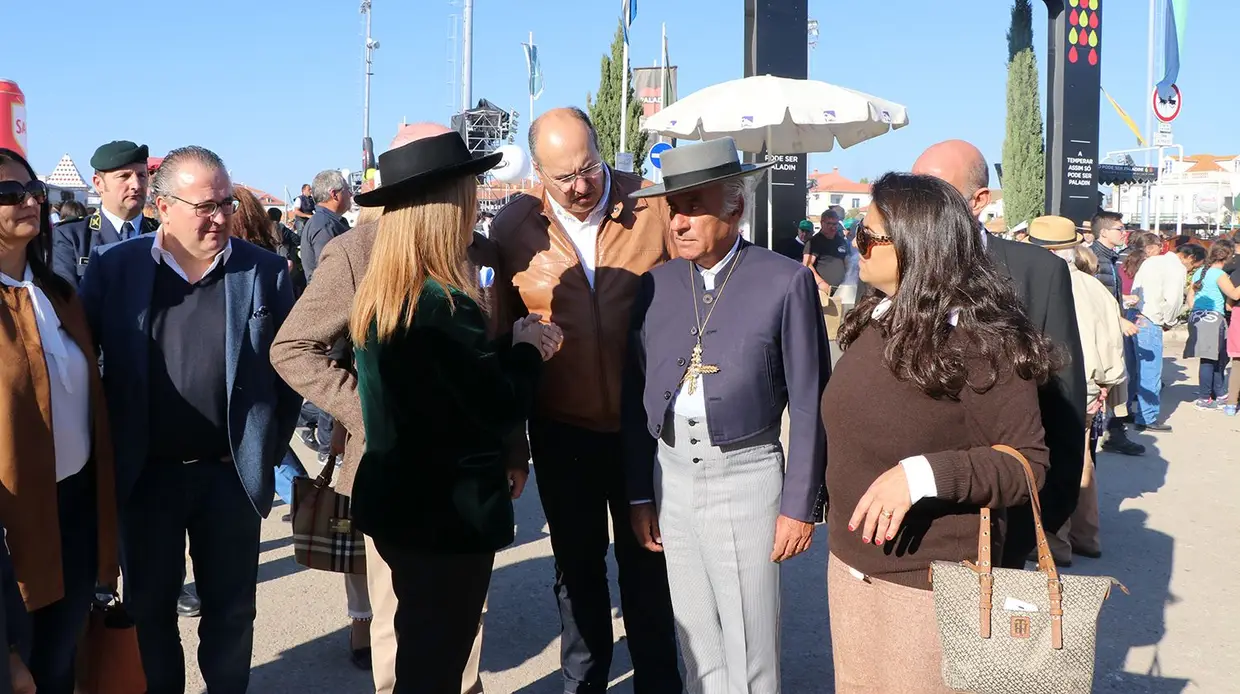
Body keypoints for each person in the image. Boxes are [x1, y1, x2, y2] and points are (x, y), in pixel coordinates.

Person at [272, 123, 516, 689]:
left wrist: (513, 448)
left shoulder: (481, 251)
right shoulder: (357, 251)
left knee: (463, 624)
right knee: (401, 625)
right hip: (396, 474)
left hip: (472, 477)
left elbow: (494, 355)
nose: (476, 192)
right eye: (467, 182)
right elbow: (292, 348)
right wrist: (372, 410)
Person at [79, 145, 300, 693]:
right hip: (146, 476)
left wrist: (263, 452)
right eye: (206, 206)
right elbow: (83, 367)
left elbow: (291, 373)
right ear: (163, 206)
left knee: (231, 614)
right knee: (150, 611)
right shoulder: (115, 271)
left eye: (226, 202)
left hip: (228, 477)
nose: (221, 217)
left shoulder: (265, 271)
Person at [346, 128, 560, 692]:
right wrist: (526, 351)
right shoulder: (441, 304)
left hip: (399, 508)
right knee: (435, 663)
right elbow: (493, 407)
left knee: (420, 646)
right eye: (470, 189)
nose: (476, 199)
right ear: (445, 206)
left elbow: (437, 391)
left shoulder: (387, 293)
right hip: (446, 516)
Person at [822, 172, 1054, 693]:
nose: (856, 243)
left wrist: (924, 474)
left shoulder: (981, 340)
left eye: (870, 234)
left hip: (929, 588)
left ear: (917, 244)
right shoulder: (877, 318)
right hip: (851, 569)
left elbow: (1028, 463)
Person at [623, 138, 828, 693]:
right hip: (673, 478)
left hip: (746, 476)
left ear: (735, 208)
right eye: (672, 207)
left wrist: (800, 504)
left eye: (693, 205)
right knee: (695, 639)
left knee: (749, 645)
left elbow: (811, 403)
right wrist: (641, 493)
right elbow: (635, 398)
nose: (679, 221)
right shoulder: (656, 286)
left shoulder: (785, 281)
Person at [489, 106, 682, 693]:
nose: (580, 186)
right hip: (561, 429)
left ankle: (658, 682)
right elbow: (504, 344)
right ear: (538, 176)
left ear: (602, 153)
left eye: (589, 169)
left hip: (642, 427)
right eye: (562, 177)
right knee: (577, 572)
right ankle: (584, 682)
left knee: (648, 566)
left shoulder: (653, 208)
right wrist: (513, 446)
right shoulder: (514, 229)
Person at [911, 140, 1086, 571]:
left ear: (978, 201)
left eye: (933, 190)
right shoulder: (895, 268)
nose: (917, 205)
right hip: (908, 511)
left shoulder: (1038, 273)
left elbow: (1062, 402)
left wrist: (1035, 523)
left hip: (1002, 517)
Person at [0, 148, 119, 694]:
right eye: (9, 194)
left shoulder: (60, 295)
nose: (29, 201)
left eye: (34, 190)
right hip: (12, 530)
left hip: (73, 507)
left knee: (57, 663)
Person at [1026, 218, 1126, 565]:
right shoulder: (1094, 286)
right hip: (1089, 385)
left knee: (1049, 458)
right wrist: (1108, 387)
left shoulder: (1038, 281)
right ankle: (1086, 535)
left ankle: (1055, 541)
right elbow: (1112, 340)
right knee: (1081, 458)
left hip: (1051, 383)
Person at [52, 141, 160, 288]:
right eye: (124, 176)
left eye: (142, 175)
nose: (136, 185)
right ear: (98, 184)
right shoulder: (73, 237)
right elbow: (66, 301)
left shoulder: (162, 235)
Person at [1087, 210, 1145, 456]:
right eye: (1120, 229)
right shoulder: (1095, 259)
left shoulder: (1108, 258)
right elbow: (1094, 299)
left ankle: (1114, 431)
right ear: (1104, 232)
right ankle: (1106, 434)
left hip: (1111, 328)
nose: (1124, 233)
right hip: (1102, 332)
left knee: (1117, 380)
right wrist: (1118, 319)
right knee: (1109, 379)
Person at [1121, 231, 1190, 431]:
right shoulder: (1172, 266)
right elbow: (1174, 298)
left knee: (1132, 370)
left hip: (1133, 315)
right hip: (1150, 319)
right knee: (1150, 371)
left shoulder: (1146, 263)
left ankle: (1125, 411)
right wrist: (1169, 319)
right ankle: (1147, 417)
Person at [1185, 239, 1240, 409]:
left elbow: (1190, 295)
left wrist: (1197, 309)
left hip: (1198, 317)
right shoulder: (1219, 274)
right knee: (1210, 360)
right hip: (1213, 319)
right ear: (1228, 256)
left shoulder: (1201, 271)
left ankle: (1218, 392)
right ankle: (1204, 397)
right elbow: (1234, 295)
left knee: (1213, 358)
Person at [803, 208, 849, 296]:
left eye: (835, 224)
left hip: (841, 290)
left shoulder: (841, 241)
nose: (833, 227)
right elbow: (807, 264)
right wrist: (820, 283)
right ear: (822, 223)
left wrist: (849, 278)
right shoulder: (814, 242)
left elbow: (847, 262)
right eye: (829, 224)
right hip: (822, 292)